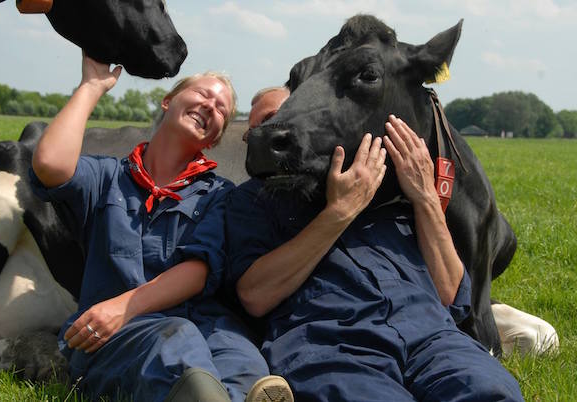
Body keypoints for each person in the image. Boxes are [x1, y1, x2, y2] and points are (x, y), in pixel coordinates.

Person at [225, 87, 524, 401]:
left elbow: (451, 292)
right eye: (263, 124)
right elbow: (254, 295)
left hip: (432, 335)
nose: (278, 126)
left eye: (287, 112)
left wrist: (424, 196)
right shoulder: (251, 199)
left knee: (490, 392)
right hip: (331, 340)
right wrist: (341, 210)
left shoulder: (387, 182)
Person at [30, 55, 293, 402]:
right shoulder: (107, 177)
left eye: (221, 110)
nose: (210, 107)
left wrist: (125, 305)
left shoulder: (218, 195)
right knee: (176, 343)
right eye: (202, 94)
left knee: (245, 363)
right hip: (115, 331)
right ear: (168, 100)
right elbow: (49, 165)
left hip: (208, 326)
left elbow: (198, 270)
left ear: (214, 140)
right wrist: (91, 87)